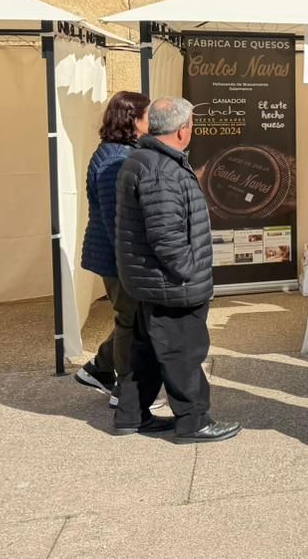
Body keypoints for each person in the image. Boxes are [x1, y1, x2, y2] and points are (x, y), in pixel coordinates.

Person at [113, 97, 240, 442]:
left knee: (148, 352)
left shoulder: (149, 160)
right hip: (169, 284)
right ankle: (193, 421)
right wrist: (189, 270)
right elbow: (165, 234)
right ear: (183, 130)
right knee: (183, 353)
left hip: (151, 282)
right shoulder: (160, 169)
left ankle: (131, 415)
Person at [75, 91, 165, 412]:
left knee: (131, 317)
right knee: (131, 321)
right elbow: (118, 220)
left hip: (114, 254)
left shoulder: (119, 152)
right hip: (118, 256)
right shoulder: (116, 160)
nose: (152, 122)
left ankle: (98, 368)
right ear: (132, 119)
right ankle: (127, 389)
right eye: (147, 116)